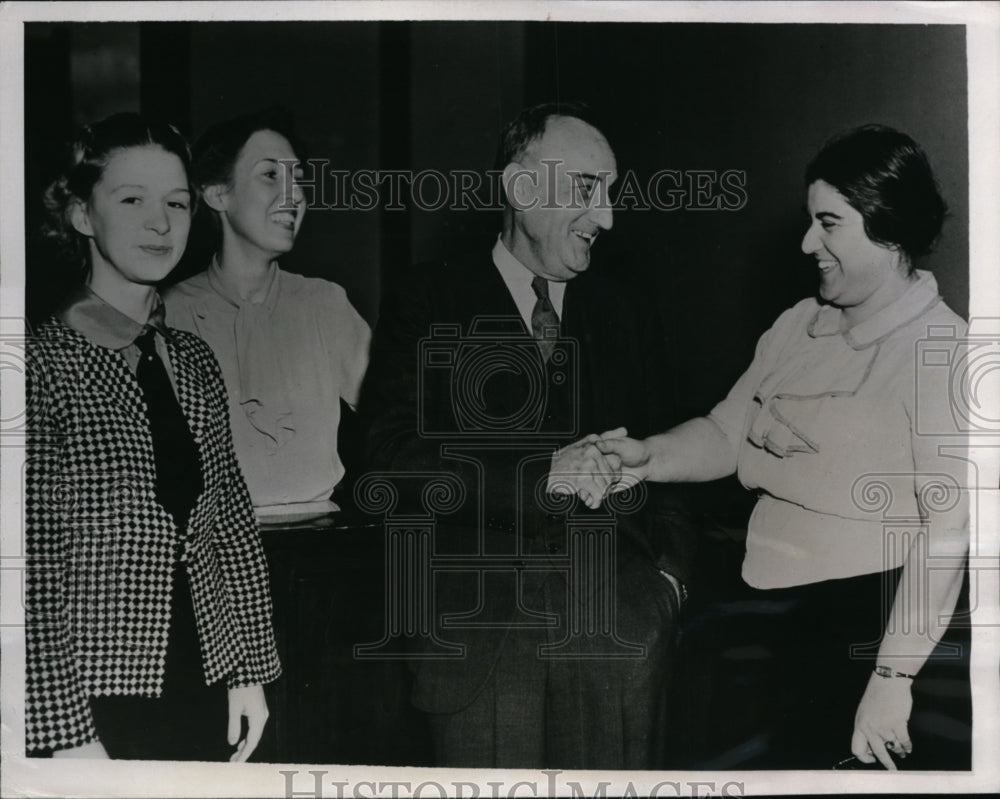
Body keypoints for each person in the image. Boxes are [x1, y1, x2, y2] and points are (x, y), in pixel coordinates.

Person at [595, 125, 969, 770]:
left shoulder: (944, 351)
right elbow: (724, 432)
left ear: (891, 226)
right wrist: (648, 456)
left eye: (829, 223)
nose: (806, 243)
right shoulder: (798, 324)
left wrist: (893, 679)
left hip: (862, 627)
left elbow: (950, 528)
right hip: (760, 607)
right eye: (808, 220)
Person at [361, 102, 695, 769]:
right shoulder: (428, 297)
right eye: (586, 189)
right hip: (479, 638)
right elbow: (385, 457)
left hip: (616, 636)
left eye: (610, 194)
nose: (606, 218)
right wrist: (539, 479)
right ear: (520, 188)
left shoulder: (627, 311)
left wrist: (669, 583)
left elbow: (670, 457)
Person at [26, 113, 281, 761]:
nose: (161, 223)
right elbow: (26, 571)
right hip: (89, 692)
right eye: (131, 200)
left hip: (201, 671)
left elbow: (230, 523)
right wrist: (62, 731)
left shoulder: (192, 360)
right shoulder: (39, 364)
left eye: (175, 202)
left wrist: (247, 668)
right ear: (82, 214)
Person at [164, 108, 371, 519]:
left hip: (321, 545)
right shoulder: (169, 314)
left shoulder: (325, 305)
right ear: (216, 193)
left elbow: (399, 418)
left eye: (298, 179)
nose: (294, 195)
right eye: (271, 175)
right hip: (210, 549)